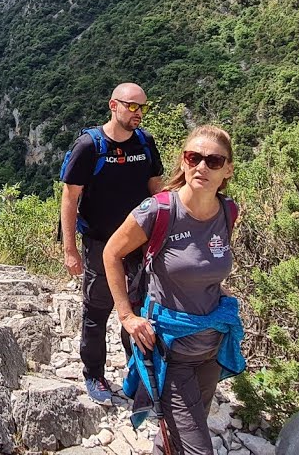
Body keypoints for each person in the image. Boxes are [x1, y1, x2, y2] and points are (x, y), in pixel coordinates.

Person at [104, 125, 246, 455]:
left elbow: (209, 267)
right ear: (183, 162)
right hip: (170, 350)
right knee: (197, 448)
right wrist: (126, 315)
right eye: (194, 157)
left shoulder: (228, 212)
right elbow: (112, 252)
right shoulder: (158, 211)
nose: (202, 167)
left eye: (213, 161)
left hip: (211, 348)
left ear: (228, 170)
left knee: (172, 438)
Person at [60, 82, 164, 405]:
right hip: (99, 243)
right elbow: (69, 197)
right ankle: (94, 373)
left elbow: (157, 192)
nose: (137, 113)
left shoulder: (145, 144)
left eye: (142, 108)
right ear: (113, 105)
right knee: (97, 310)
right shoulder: (89, 147)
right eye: (131, 106)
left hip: (138, 244)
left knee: (136, 309)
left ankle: (137, 374)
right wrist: (69, 249)